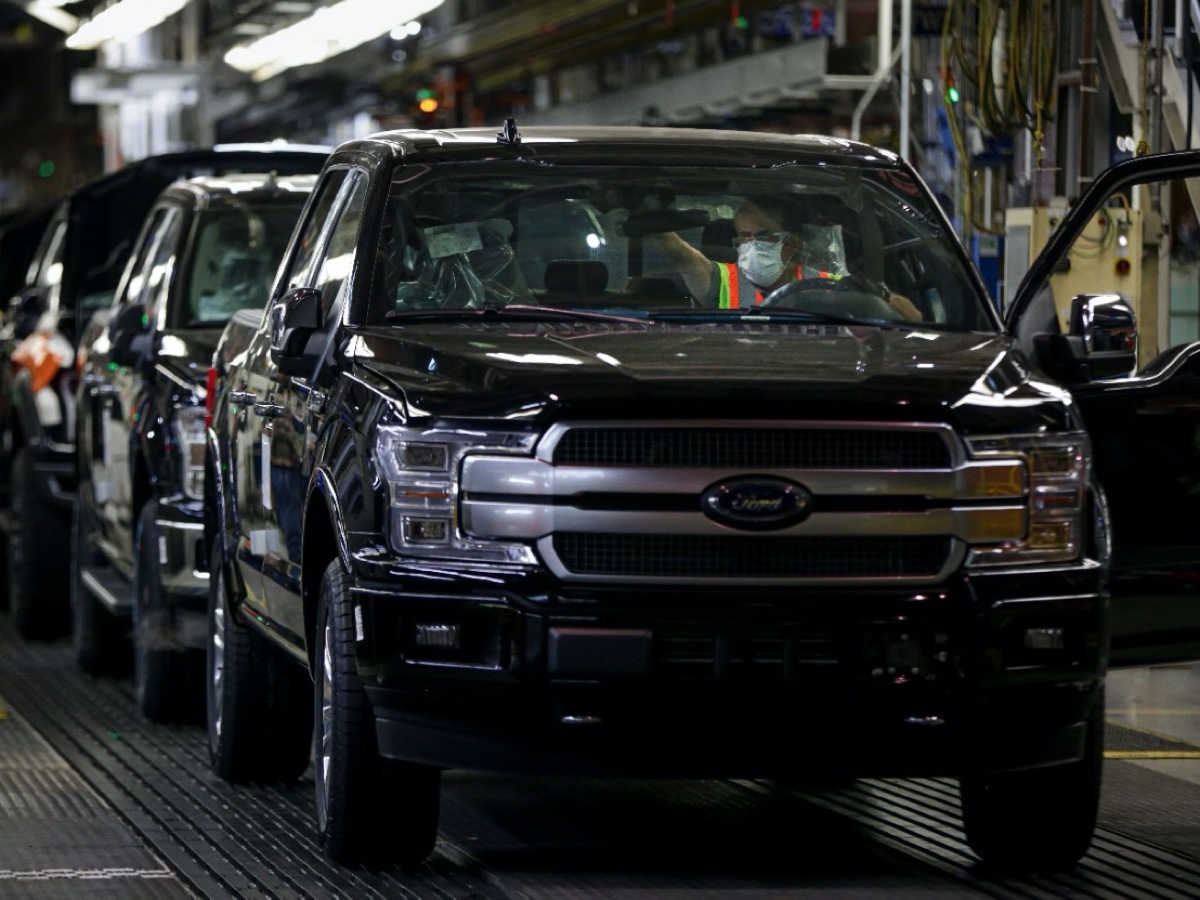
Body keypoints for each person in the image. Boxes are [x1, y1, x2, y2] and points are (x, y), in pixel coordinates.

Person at [646, 196, 922, 320]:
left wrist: (888, 301)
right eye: (744, 237)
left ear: (790, 245)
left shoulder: (831, 286)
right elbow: (679, 256)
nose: (751, 247)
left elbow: (909, 318)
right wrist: (646, 213)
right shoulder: (722, 280)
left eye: (763, 236)